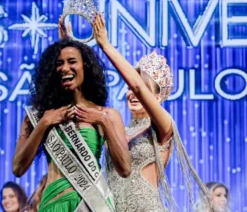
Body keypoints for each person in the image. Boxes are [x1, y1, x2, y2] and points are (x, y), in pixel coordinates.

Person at [91, 14, 212, 211]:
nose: (133, 93)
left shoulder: (163, 126)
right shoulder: (115, 128)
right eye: (129, 88)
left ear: (157, 98)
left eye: (142, 88)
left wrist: (106, 46)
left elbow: (138, 87)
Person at [12, 21, 131, 212]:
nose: (65, 68)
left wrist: (103, 122)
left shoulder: (106, 115)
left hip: (91, 205)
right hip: (52, 205)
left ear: (85, 66)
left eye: (72, 61)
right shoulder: (38, 116)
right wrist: (44, 124)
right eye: (59, 64)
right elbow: (18, 168)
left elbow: (125, 169)